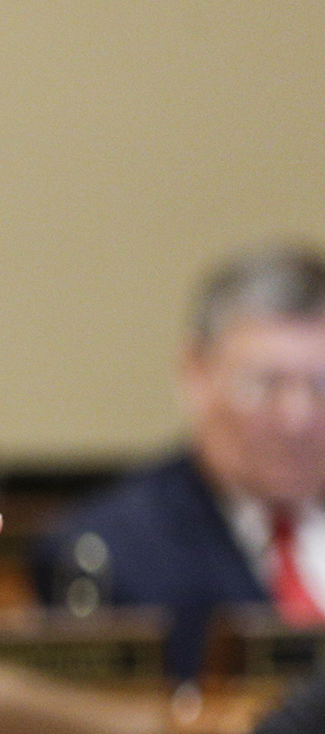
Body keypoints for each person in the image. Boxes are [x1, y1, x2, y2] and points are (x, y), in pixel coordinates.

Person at [32, 241, 325, 681]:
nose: (298, 419)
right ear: (196, 375)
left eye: (321, 386)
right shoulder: (105, 553)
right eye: (265, 385)